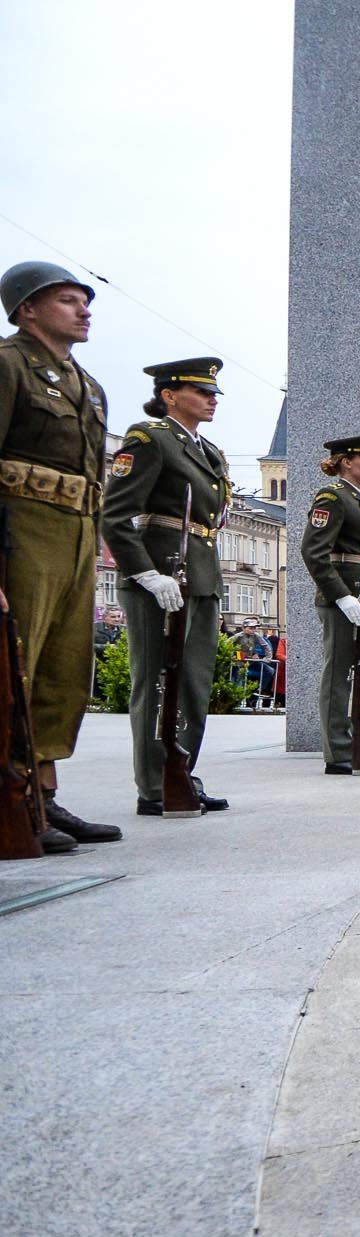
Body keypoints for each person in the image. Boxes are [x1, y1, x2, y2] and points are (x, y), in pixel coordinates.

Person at [0, 260, 123, 851]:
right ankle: (12, 796)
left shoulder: (88, 384)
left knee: (63, 670)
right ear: (27, 308)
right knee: (14, 667)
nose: (84, 309)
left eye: (85, 300)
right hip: (22, 531)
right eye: (68, 300)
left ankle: (44, 795)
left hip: (76, 535)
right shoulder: (7, 366)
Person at [103, 357, 237, 814]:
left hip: (200, 573)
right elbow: (116, 514)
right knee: (158, 680)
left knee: (193, 683)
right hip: (161, 570)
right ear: (169, 395)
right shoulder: (149, 439)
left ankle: (181, 774)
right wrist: (143, 572)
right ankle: (155, 785)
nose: (212, 399)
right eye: (202, 392)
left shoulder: (209, 451)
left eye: (214, 393)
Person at [301, 436, 360, 775]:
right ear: (345, 462)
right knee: (340, 673)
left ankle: (356, 742)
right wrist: (340, 595)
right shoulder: (333, 497)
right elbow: (314, 551)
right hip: (346, 597)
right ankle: (337, 750)